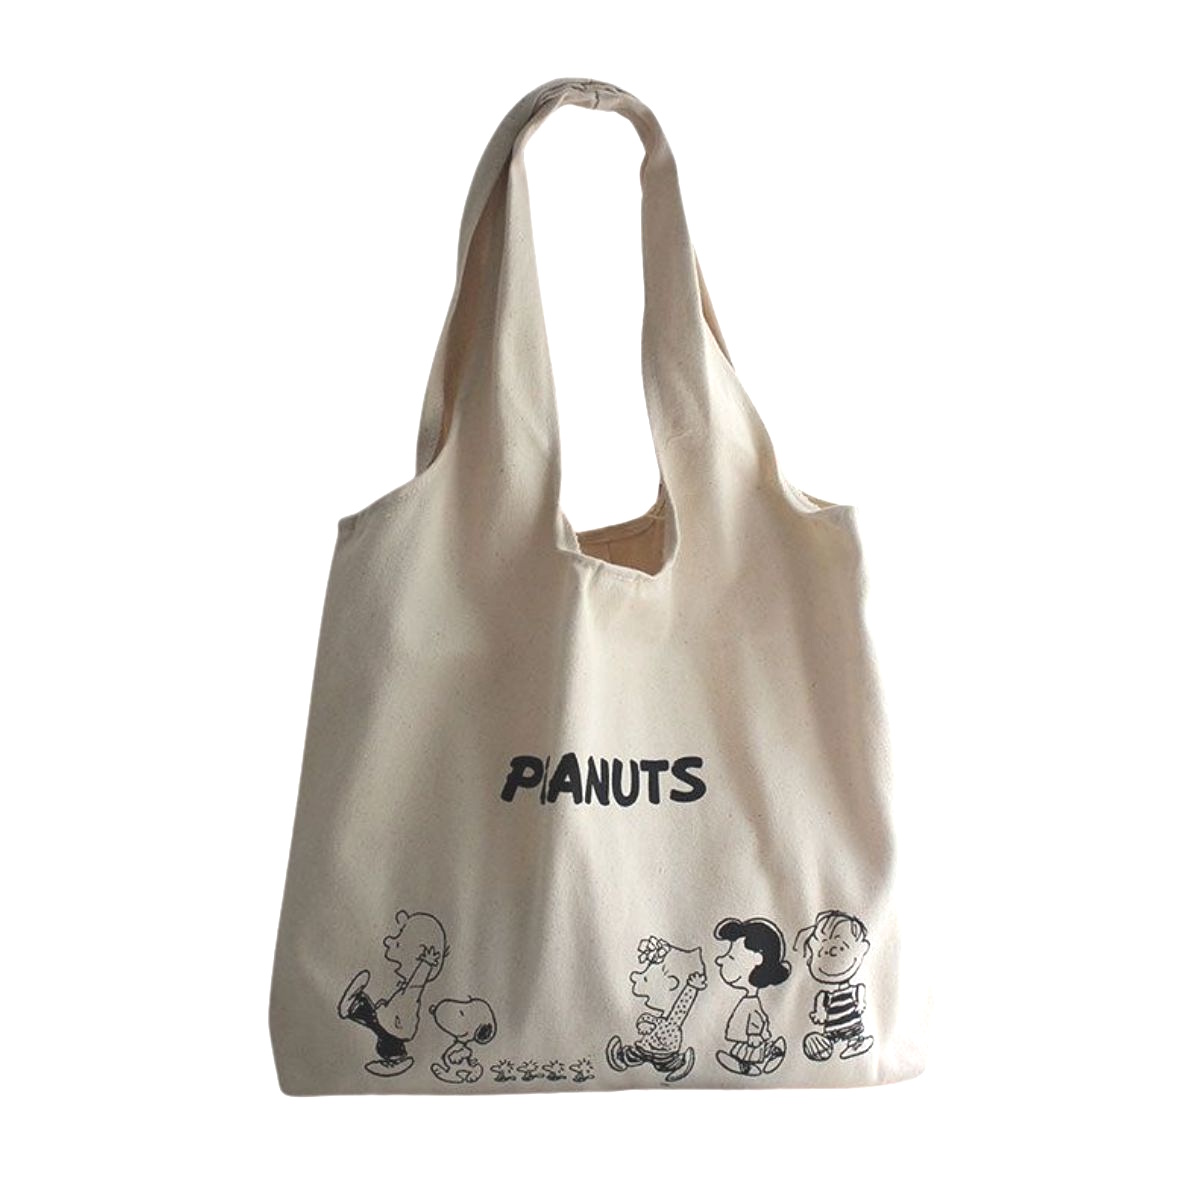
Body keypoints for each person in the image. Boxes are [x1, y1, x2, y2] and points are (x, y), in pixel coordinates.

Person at [606, 935, 706, 1084]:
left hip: (665, 1052)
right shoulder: (658, 1020)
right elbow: (644, 1020)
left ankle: (681, 1065)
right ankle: (621, 1058)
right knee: (635, 1054)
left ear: (671, 984)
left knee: (665, 1062)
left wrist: (692, 987)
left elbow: (683, 1004)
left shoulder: (673, 1021)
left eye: (646, 979)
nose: (634, 977)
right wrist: (642, 1025)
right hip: (645, 1047)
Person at [712, 917, 790, 1076]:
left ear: (757, 961)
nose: (720, 960)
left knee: (752, 1051)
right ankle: (750, 1062)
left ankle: (768, 1056)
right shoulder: (749, 1000)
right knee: (746, 1051)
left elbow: (756, 1019)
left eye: (731, 957)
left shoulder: (751, 1003)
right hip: (749, 1037)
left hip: (752, 1038)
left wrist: (755, 1035)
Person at [794, 909, 874, 1061]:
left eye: (839, 949)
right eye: (821, 952)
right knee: (828, 1039)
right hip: (832, 1027)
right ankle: (822, 1046)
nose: (830, 955)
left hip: (849, 1024)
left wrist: (861, 1002)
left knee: (852, 1033)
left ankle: (854, 1043)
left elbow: (860, 990)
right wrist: (820, 1012)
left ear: (862, 949)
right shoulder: (826, 995)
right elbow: (821, 1000)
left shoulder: (852, 990)